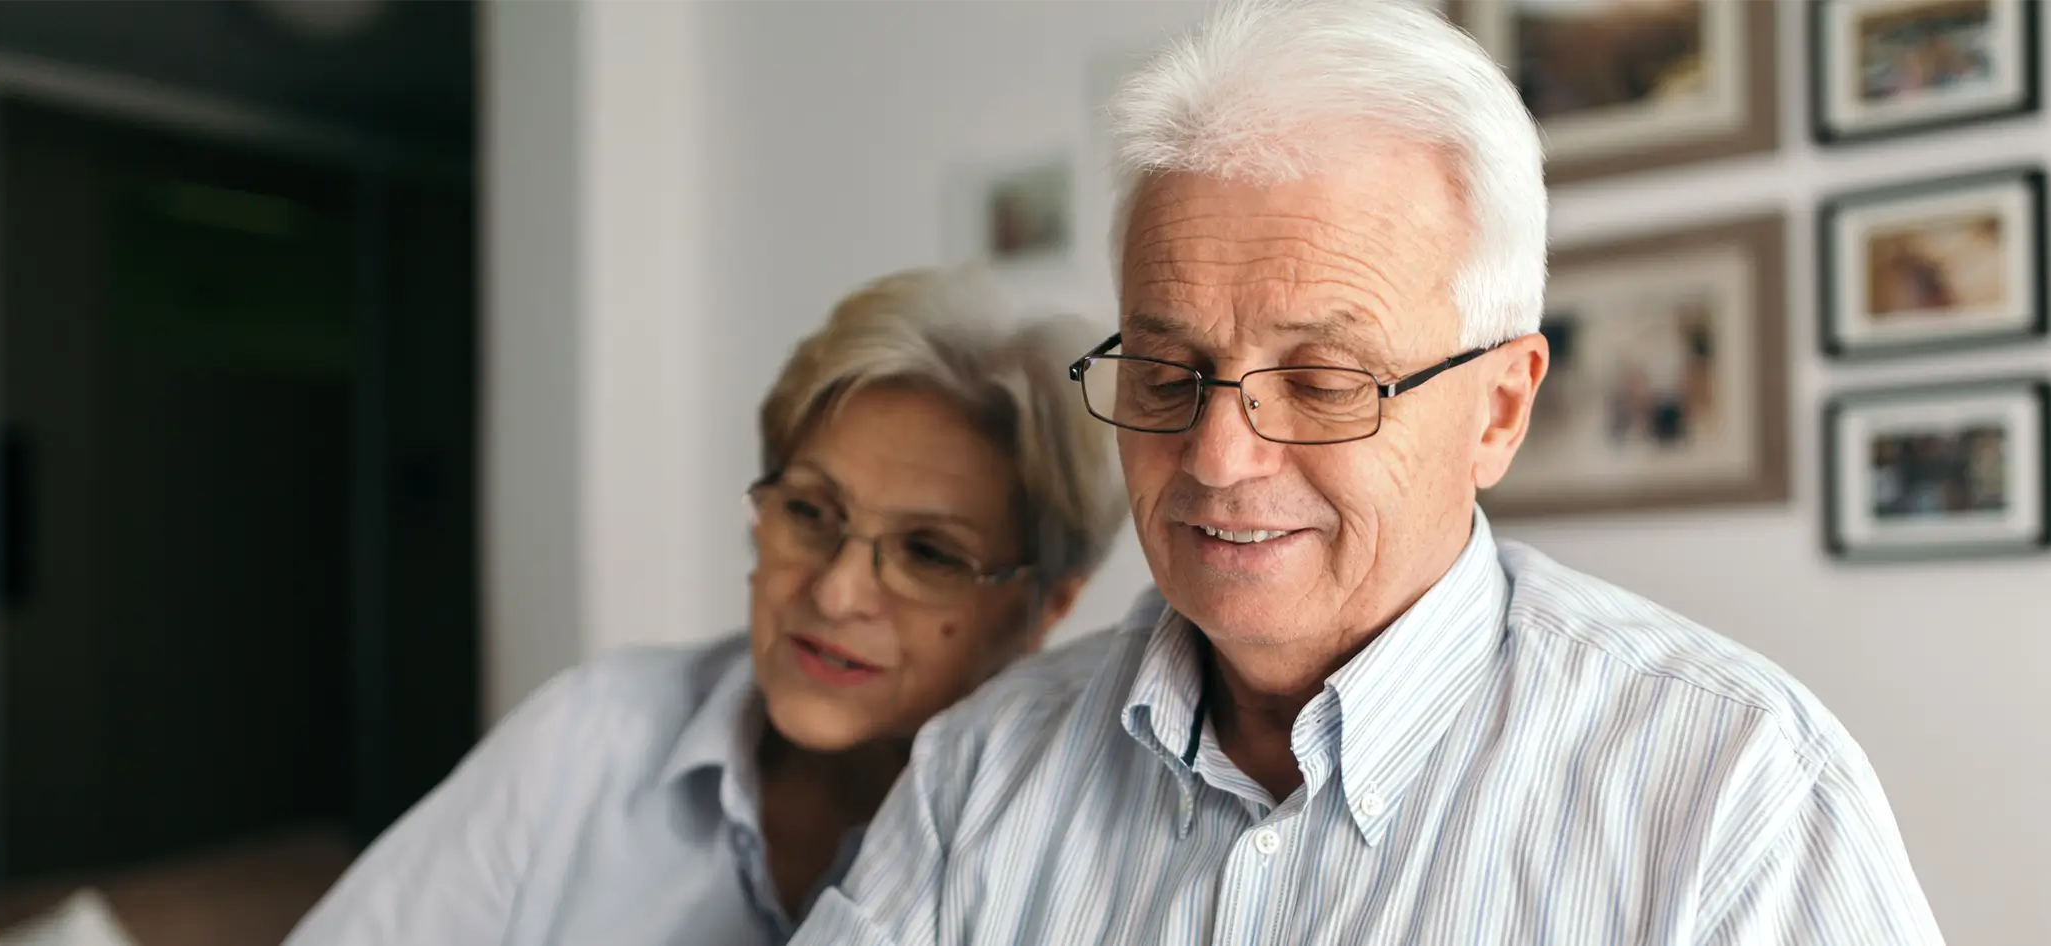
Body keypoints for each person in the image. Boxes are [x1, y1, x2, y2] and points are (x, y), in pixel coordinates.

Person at [791, 1, 1945, 943]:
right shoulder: (978, 768)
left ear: (1497, 409)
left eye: (1325, 379)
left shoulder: (1738, 790)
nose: (1219, 457)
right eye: (1164, 369)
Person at [283, 267, 1127, 946]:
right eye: (808, 512)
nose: (835, 592)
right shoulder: (593, 731)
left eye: (929, 554)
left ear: (1048, 604)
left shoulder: (1068, 843)